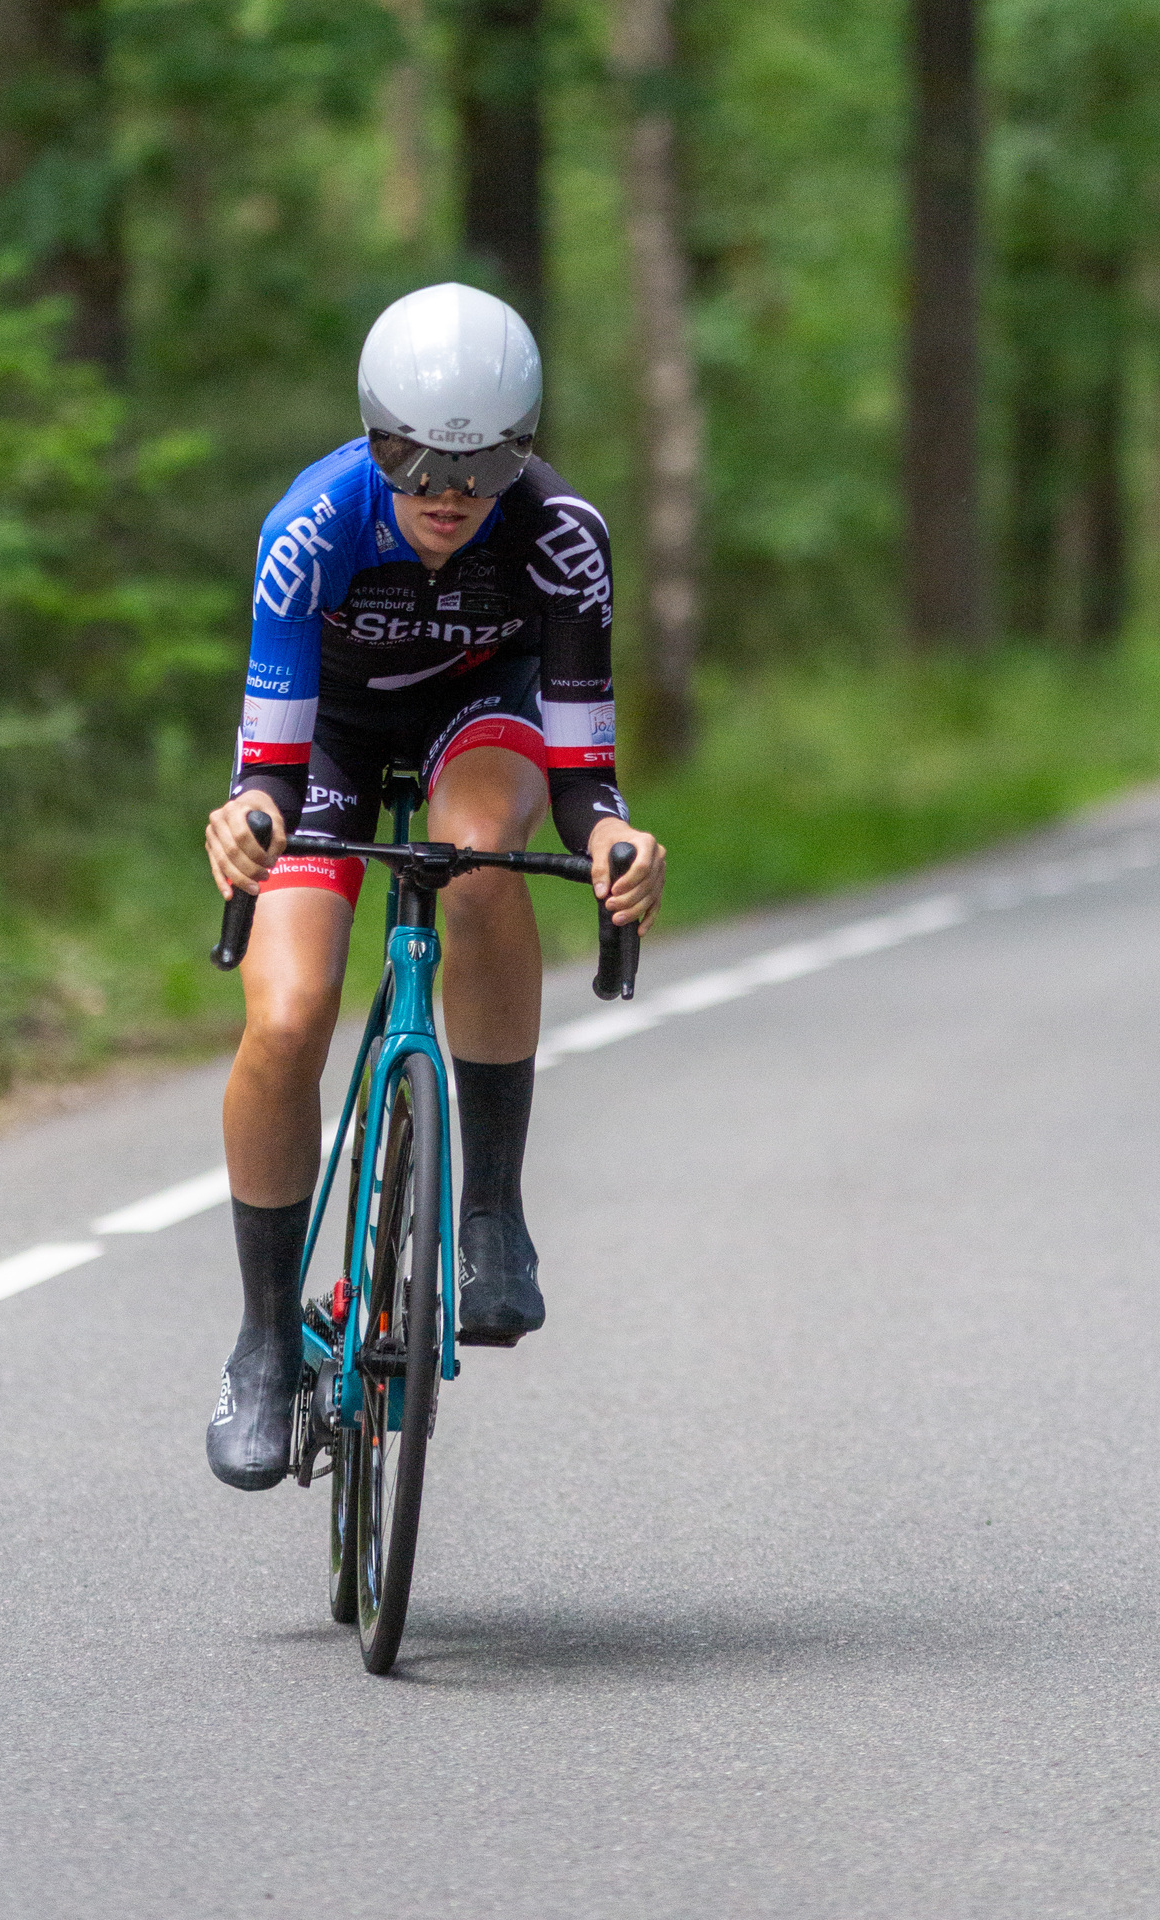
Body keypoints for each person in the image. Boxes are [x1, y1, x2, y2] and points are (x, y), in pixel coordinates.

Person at [203, 282, 666, 1489]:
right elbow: (270, 765)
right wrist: (249, 819)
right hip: (336, 745)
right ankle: (262, 1341)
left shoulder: (563, 534)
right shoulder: (312, 526)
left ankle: (492, 1215)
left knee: (471, 856)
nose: (450, 493)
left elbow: (581, 775)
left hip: (486, 715)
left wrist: (617, 837)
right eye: (414, 458)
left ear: (527, 446)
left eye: (488, 459)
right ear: (372, 437)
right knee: (288, 1013)